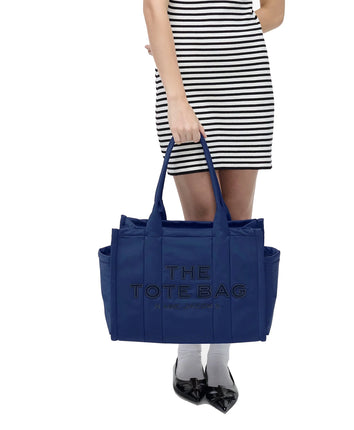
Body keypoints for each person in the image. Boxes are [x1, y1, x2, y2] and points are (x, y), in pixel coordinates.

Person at [142, 0, 284, 413]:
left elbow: (273, 13)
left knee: (236, 226)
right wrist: (176, 97)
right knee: (201, 224)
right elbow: (154, 9)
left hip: (245, 81)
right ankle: (188, 348)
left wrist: (220, 35)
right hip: (186, 84)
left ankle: (220, 355)